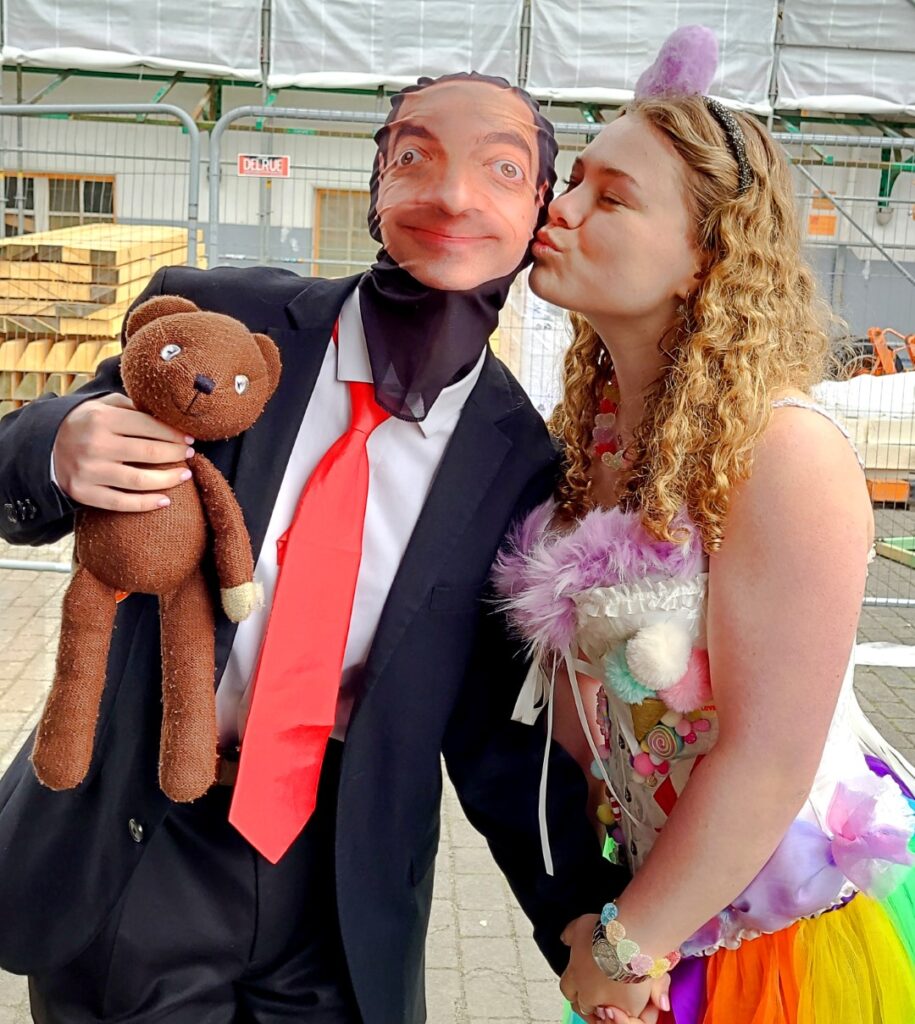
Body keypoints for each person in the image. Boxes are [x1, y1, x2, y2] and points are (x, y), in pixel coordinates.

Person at [0, 73, 628, 1024]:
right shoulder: (221, 314)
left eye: (501, 169)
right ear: (377, 184)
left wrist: (579, 914)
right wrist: (58, 442)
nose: (453, 195)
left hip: (341, 886)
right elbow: (27, 482)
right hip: (143, 842)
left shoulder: (519, 462)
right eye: (415, 156)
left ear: (540, 208)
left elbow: (492, 729)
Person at [492, 34, 915, 1024]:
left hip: (781, 948)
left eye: (612, 197)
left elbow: (768, 758)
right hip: (664, 922)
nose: (560, 210)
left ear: (706, 257)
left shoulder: (784, 451)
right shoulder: (593, 442)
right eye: (574, 181)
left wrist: (625, 941)